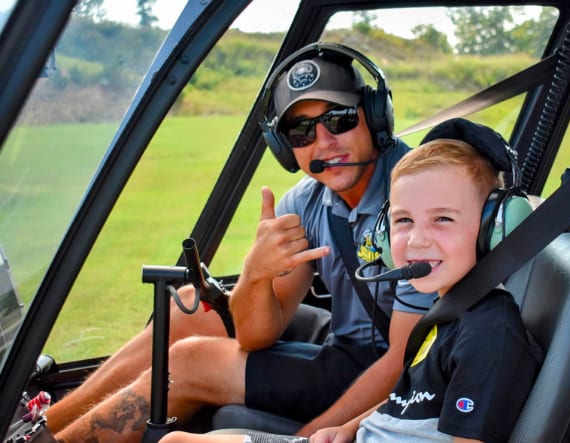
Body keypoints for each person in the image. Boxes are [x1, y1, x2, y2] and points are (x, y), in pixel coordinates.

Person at [52, 43, 433, 442]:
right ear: (284, 147)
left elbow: (403, 363)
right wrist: (256, 273)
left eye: (337, 120)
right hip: (343, 343)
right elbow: (255, 336)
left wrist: (301, 439)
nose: (323, 143)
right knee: (189, 309)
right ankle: (41, 428)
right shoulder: (303, 204)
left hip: (394, 365)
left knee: (189, 363)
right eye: (300, 131)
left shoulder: (415, 197)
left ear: (374, 116)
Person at [158, 120, 542, 443]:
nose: (417, 240)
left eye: (443, 219)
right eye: (404, 221)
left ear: (496, 227)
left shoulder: (491, 334)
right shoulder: (450, 315)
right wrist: (347, 428)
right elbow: (413, 396)